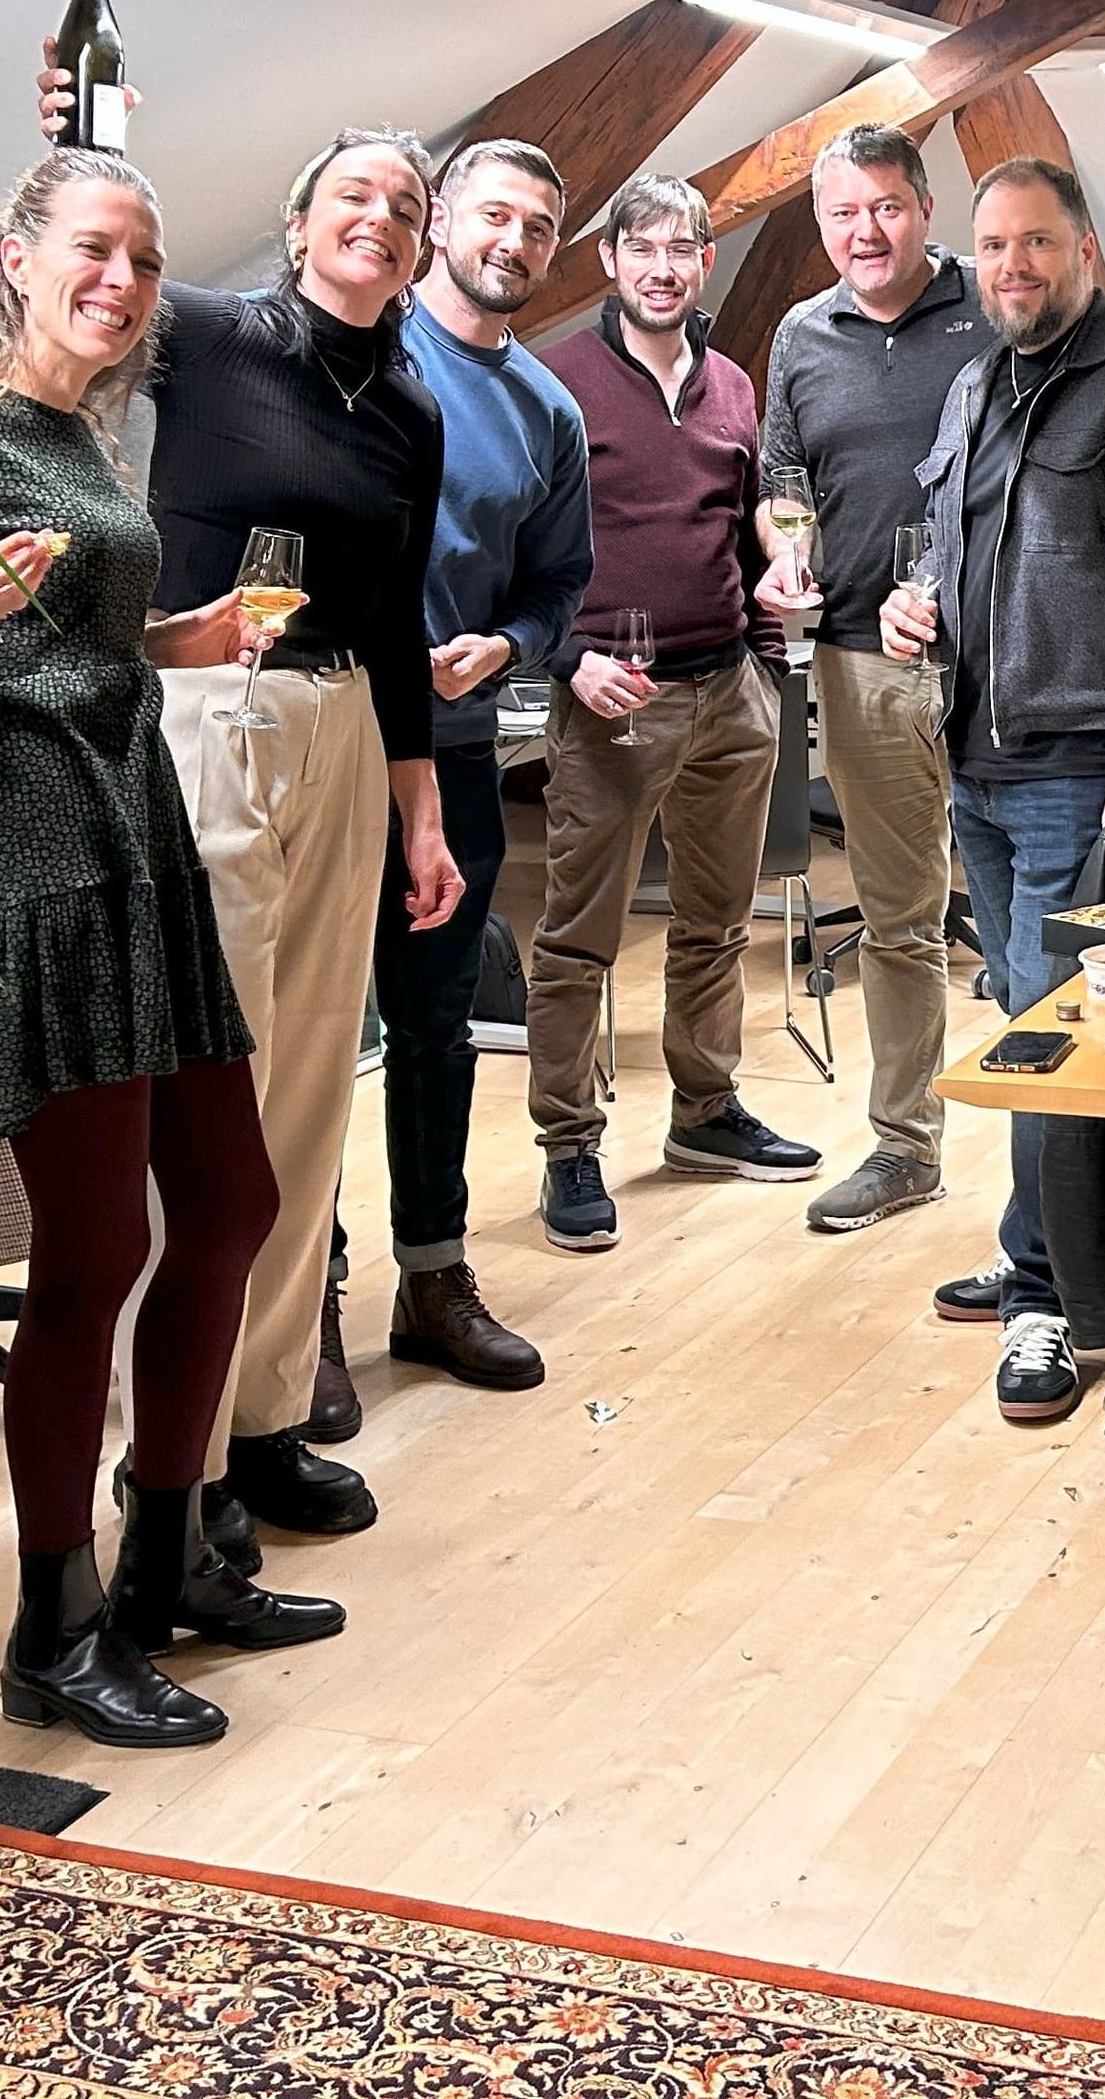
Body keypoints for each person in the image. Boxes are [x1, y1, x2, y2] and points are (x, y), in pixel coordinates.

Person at [0, 84, 465, 1572]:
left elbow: (374, 615)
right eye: (358, 199)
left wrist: (401, 790)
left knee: (278, 1141)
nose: (121, 284)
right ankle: (135, 1528)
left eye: (407, 209)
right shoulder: (159, 352)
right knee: (127, 1223)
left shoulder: (382, 408)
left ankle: (224, 1474)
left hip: (222, 767)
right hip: (103, 817)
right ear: (298, 223)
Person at [0, 147, 341, 1747]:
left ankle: (172, 1554)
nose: (123, 282)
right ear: (20, 254)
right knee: (98, 1249)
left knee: (233, 1201)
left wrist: (178, 636)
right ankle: (55, 1626)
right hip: (23, 865)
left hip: (137, 843)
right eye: (98, 251)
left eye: (147, 262)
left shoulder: (83, 434)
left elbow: (79, 639)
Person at [881, 157, 1105, 1425]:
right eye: (991, 249)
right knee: (1020, 1014)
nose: (1012, 268)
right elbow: (948, 549)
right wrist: (911, 606)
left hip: (1090, 774)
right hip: (975, 761)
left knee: (1047, 1039)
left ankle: (1045, 1298)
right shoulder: (977, 384)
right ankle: (1043, 1244)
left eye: (1036, 244)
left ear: (1085, 250)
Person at [523, 173, 820, 1251]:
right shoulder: (553, 384)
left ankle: (704, 1113)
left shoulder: (736, 383)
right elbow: (515, 551)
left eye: (681, 249)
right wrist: (565, 657)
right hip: (613, 700)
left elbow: (755, 517)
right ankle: (568, 1144)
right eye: (640, 248)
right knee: (577, 940)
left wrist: (780, 579)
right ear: (609, 260)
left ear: (703, 261)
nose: (661, 267)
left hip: (731, 688)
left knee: (716, 925)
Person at [371, 136, 595, 1385]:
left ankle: (432, 1274)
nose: (512, 242)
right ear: (443, 214)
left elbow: (561, 582)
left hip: (452, 757)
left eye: (538, 227)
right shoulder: (350, 349)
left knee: (436, 1025)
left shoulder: (546, 410)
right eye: (493, 214)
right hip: (307, 743)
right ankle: (308, 1299)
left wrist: (504, 644)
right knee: (293, 1040)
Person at [753, 126, 993, 1235]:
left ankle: (1092, 1146)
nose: (866, 231)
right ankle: (907, 1148)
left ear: (926, 208)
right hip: (858, 663)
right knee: (902, 921)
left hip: (1003, 656)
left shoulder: (994, 310)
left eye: (887, 207)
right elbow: (784, 474)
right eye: (843, 213)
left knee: (1050, 909)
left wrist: (945, 580)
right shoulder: (801, 336)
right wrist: (785, 545)